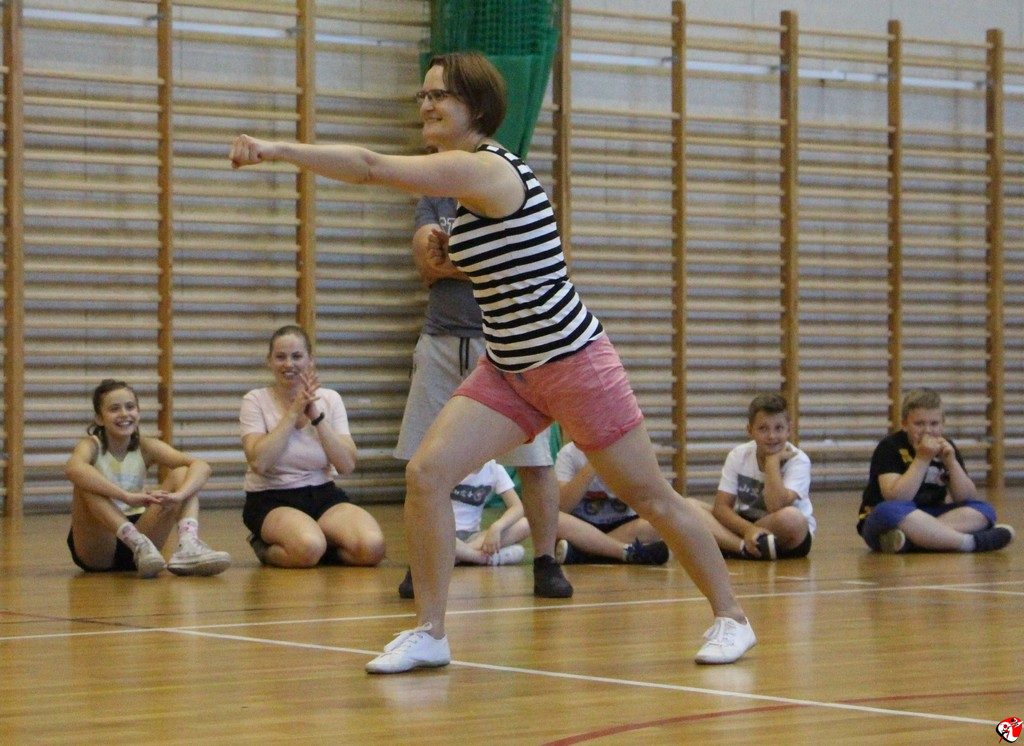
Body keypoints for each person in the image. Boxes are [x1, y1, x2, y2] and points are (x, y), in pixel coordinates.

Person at [230, 51, 755, 674]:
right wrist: (450, 253)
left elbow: (371, 167)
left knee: (651, 497)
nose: (427, 105)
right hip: (509, 367)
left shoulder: (486, 168)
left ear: (475, 107)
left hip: (572, 362)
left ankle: (732, 617)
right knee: (427, 473)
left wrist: (278, 149)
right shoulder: (463, 189)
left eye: (440, 95)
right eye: (423, 95)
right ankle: (430, 631)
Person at [394, 193, 570, 599]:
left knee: (535, 459)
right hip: (440, 341)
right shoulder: (435, 200)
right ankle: (422, 562)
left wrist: (455, 261)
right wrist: (487, 265)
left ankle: (546, 560)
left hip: (508, 343)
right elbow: (427, 265)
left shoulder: (509, 195)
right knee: (421, 460)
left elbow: (527, 268)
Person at [240, 325, 386, 568]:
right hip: (271, 498)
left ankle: (318, 545)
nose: (289, 364)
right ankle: (266, 547)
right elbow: (259, 462)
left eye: (297, 356)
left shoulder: (330, 399)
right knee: (307, 547)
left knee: (372, 547)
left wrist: (316, 417)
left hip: (322, 493)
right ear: (269, 361)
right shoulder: (255, 400)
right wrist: (293, 412)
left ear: (310, 360)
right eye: (280, 357)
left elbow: (347, 465)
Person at [65, 378, 232, 578]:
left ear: (138, 412)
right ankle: (135, 540)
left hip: (143, 540)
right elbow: (73, 469)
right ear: (99, 419)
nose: (124, 413)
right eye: (114, 409)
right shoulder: (91, 445)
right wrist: (126, 496)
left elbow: (202, 466)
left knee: (182, 473)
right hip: (100, 544)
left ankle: (188, 544)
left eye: (130, 407)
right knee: (85, 480)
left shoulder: (146, 446)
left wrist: (179, 496)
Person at [857, 387, 1014, 554]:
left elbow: (966, 498)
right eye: (919, 424)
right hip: (890, 518)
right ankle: (969, 543)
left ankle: (915, 539)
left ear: (943, 424)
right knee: (887, 510)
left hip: (931, 515)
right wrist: (922, 459)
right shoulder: (890, 447)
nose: (927, 430)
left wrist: (952, 463)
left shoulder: (947, 447)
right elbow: (897, 497)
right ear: (905, 424)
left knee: (984, 509)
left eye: (934, 424)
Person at [688, 393, 814, 560]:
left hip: (783, 532)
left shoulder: (798, 460)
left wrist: (772, 461)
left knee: (792, 517)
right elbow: (721, 507)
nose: (772, 436)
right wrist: (749, 529)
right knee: (687, 505)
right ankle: (743, 547)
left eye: (778, 428)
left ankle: (728, 542)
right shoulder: (738, 455)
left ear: (789, 429)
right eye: (763, 429)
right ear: (750, 431)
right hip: (745, 524)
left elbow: (776, 505)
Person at [399, 458, 527, 598]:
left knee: (525, 524)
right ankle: (482, 558)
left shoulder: (494, 468)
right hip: (444, 535)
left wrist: (497, 527)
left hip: (473, 537)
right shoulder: (448, 464)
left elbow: (517, 507)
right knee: (428, 534)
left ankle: (457, 556)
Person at [551, 440, 670, 566]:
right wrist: (593, 464)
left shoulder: (633, 450)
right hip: (582, 526)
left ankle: (583, 553)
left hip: (623, 524)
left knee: (660, 520)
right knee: (554, 519)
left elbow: (646, 501)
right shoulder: (568, 453)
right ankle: (625, 552)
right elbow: (563, 507)